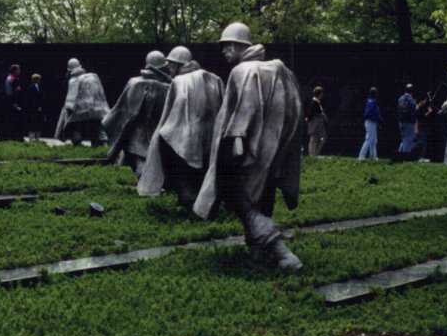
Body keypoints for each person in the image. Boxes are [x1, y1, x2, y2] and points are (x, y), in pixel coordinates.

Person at [193, 22, 303, 271]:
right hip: (275, 150)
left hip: (243, 147)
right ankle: (257, 252)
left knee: (236, 195)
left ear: (237, 45)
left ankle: (281, 252)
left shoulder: (242, 71)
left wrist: (237, 138)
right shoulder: (279, 69)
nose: (224, 52)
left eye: (226, 46)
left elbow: (245, 107)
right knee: (262, 195)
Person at [139, 46, 225, 208]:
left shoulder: (179, 81)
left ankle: (186, 196)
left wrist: (162, 135)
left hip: (187, 135)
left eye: (171, 66)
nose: (170, 70)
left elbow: (171, 115)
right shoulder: (214, 78)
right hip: (212, 136)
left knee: (164, 144)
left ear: (178, 65)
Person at [102, 50, 172, 177]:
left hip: (136, 132)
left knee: (140, 162)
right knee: (138, 159)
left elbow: (122, 108)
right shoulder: (167, 87)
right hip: (153, 132)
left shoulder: (134, 82)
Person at [54, 58, 110, 145]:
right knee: (96, 125)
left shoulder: (73, 80)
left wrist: (68, 112)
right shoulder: (93, 77)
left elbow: (71, 99)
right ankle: (102, 143)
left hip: (80, 110)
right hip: (96, 108)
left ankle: (77, 144)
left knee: (75, 126)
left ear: (69, 69)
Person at [1, 64, 26, 141]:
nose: (19, 71)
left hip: (12, 102)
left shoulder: (12, 78)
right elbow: (10, 93)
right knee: (11, 120)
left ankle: (10, 137)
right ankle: (11, 137)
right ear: (14, 71)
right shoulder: (11, 79)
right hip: (11, 103)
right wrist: (14, 104)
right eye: (18, 70)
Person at [358, 87, 382, 160]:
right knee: (369, 139)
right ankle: (361, 156)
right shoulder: (372, 102)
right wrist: (379, 119)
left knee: (374, 140)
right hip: (370, 122)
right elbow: (372, 114)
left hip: (371, 122)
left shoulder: (370, 101)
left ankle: (373, 156)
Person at [305, 86, 328, 156]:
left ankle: (315, 153)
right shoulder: (314, 102)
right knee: (313, 138)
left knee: (321, 138)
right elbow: (310, 113)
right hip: (315, 122)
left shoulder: (317, 102)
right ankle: (312, 154)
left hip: (319, 123)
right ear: (320, 94)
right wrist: (308, 119)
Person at [396, 84, 418, 158]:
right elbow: (414, 109)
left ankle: (399, 155)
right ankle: (405, 157)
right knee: (408, 140)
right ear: (412, 91)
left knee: (404, 140)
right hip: (409, 122)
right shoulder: (411, 99)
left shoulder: (400, 98)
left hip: (401, 122)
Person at [23, 74, 45, 141]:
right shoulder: (30, 87)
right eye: (39, 79)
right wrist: (34, 107)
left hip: (39, 109)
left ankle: (37, 138)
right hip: (32, 109)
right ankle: (31, 138)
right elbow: (30, 99)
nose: (40, 81)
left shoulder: (40, 87)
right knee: (32, 124)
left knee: (38, 124)